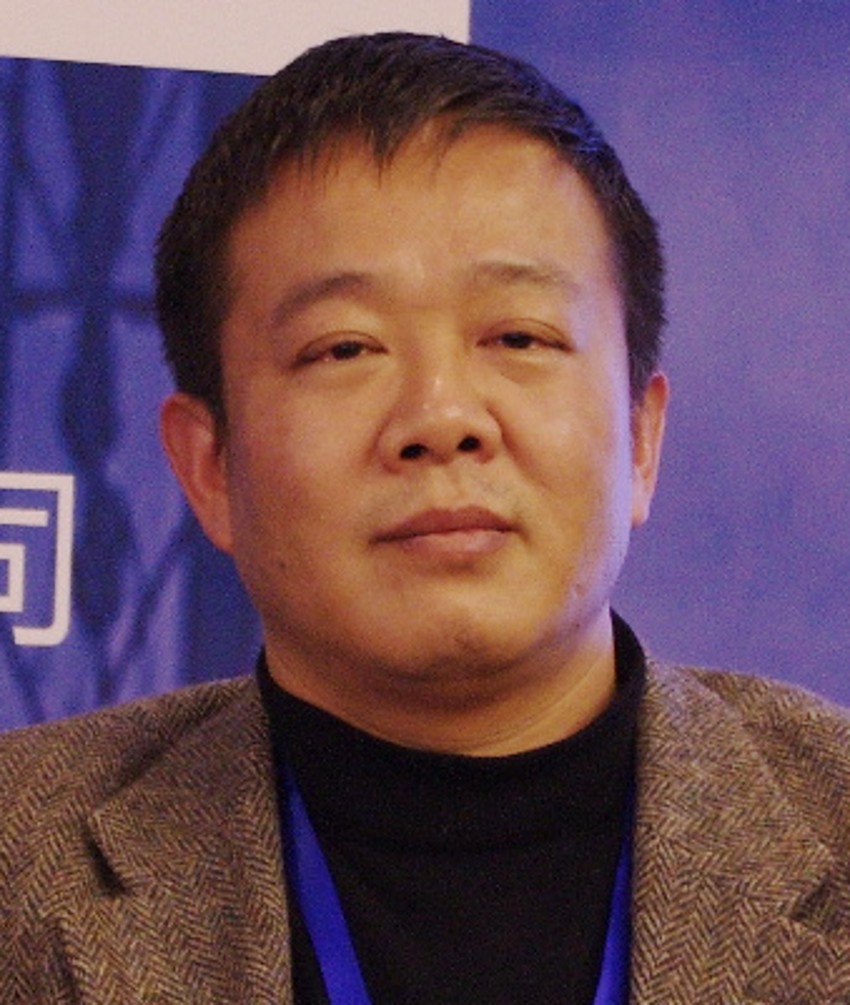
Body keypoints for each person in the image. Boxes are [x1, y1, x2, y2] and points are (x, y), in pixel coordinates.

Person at [2, 31, 849, 1004]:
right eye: (345, 348)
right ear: (209, 467)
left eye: (518, 336)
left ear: (641, 438)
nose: (441, 417)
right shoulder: (22, 862)